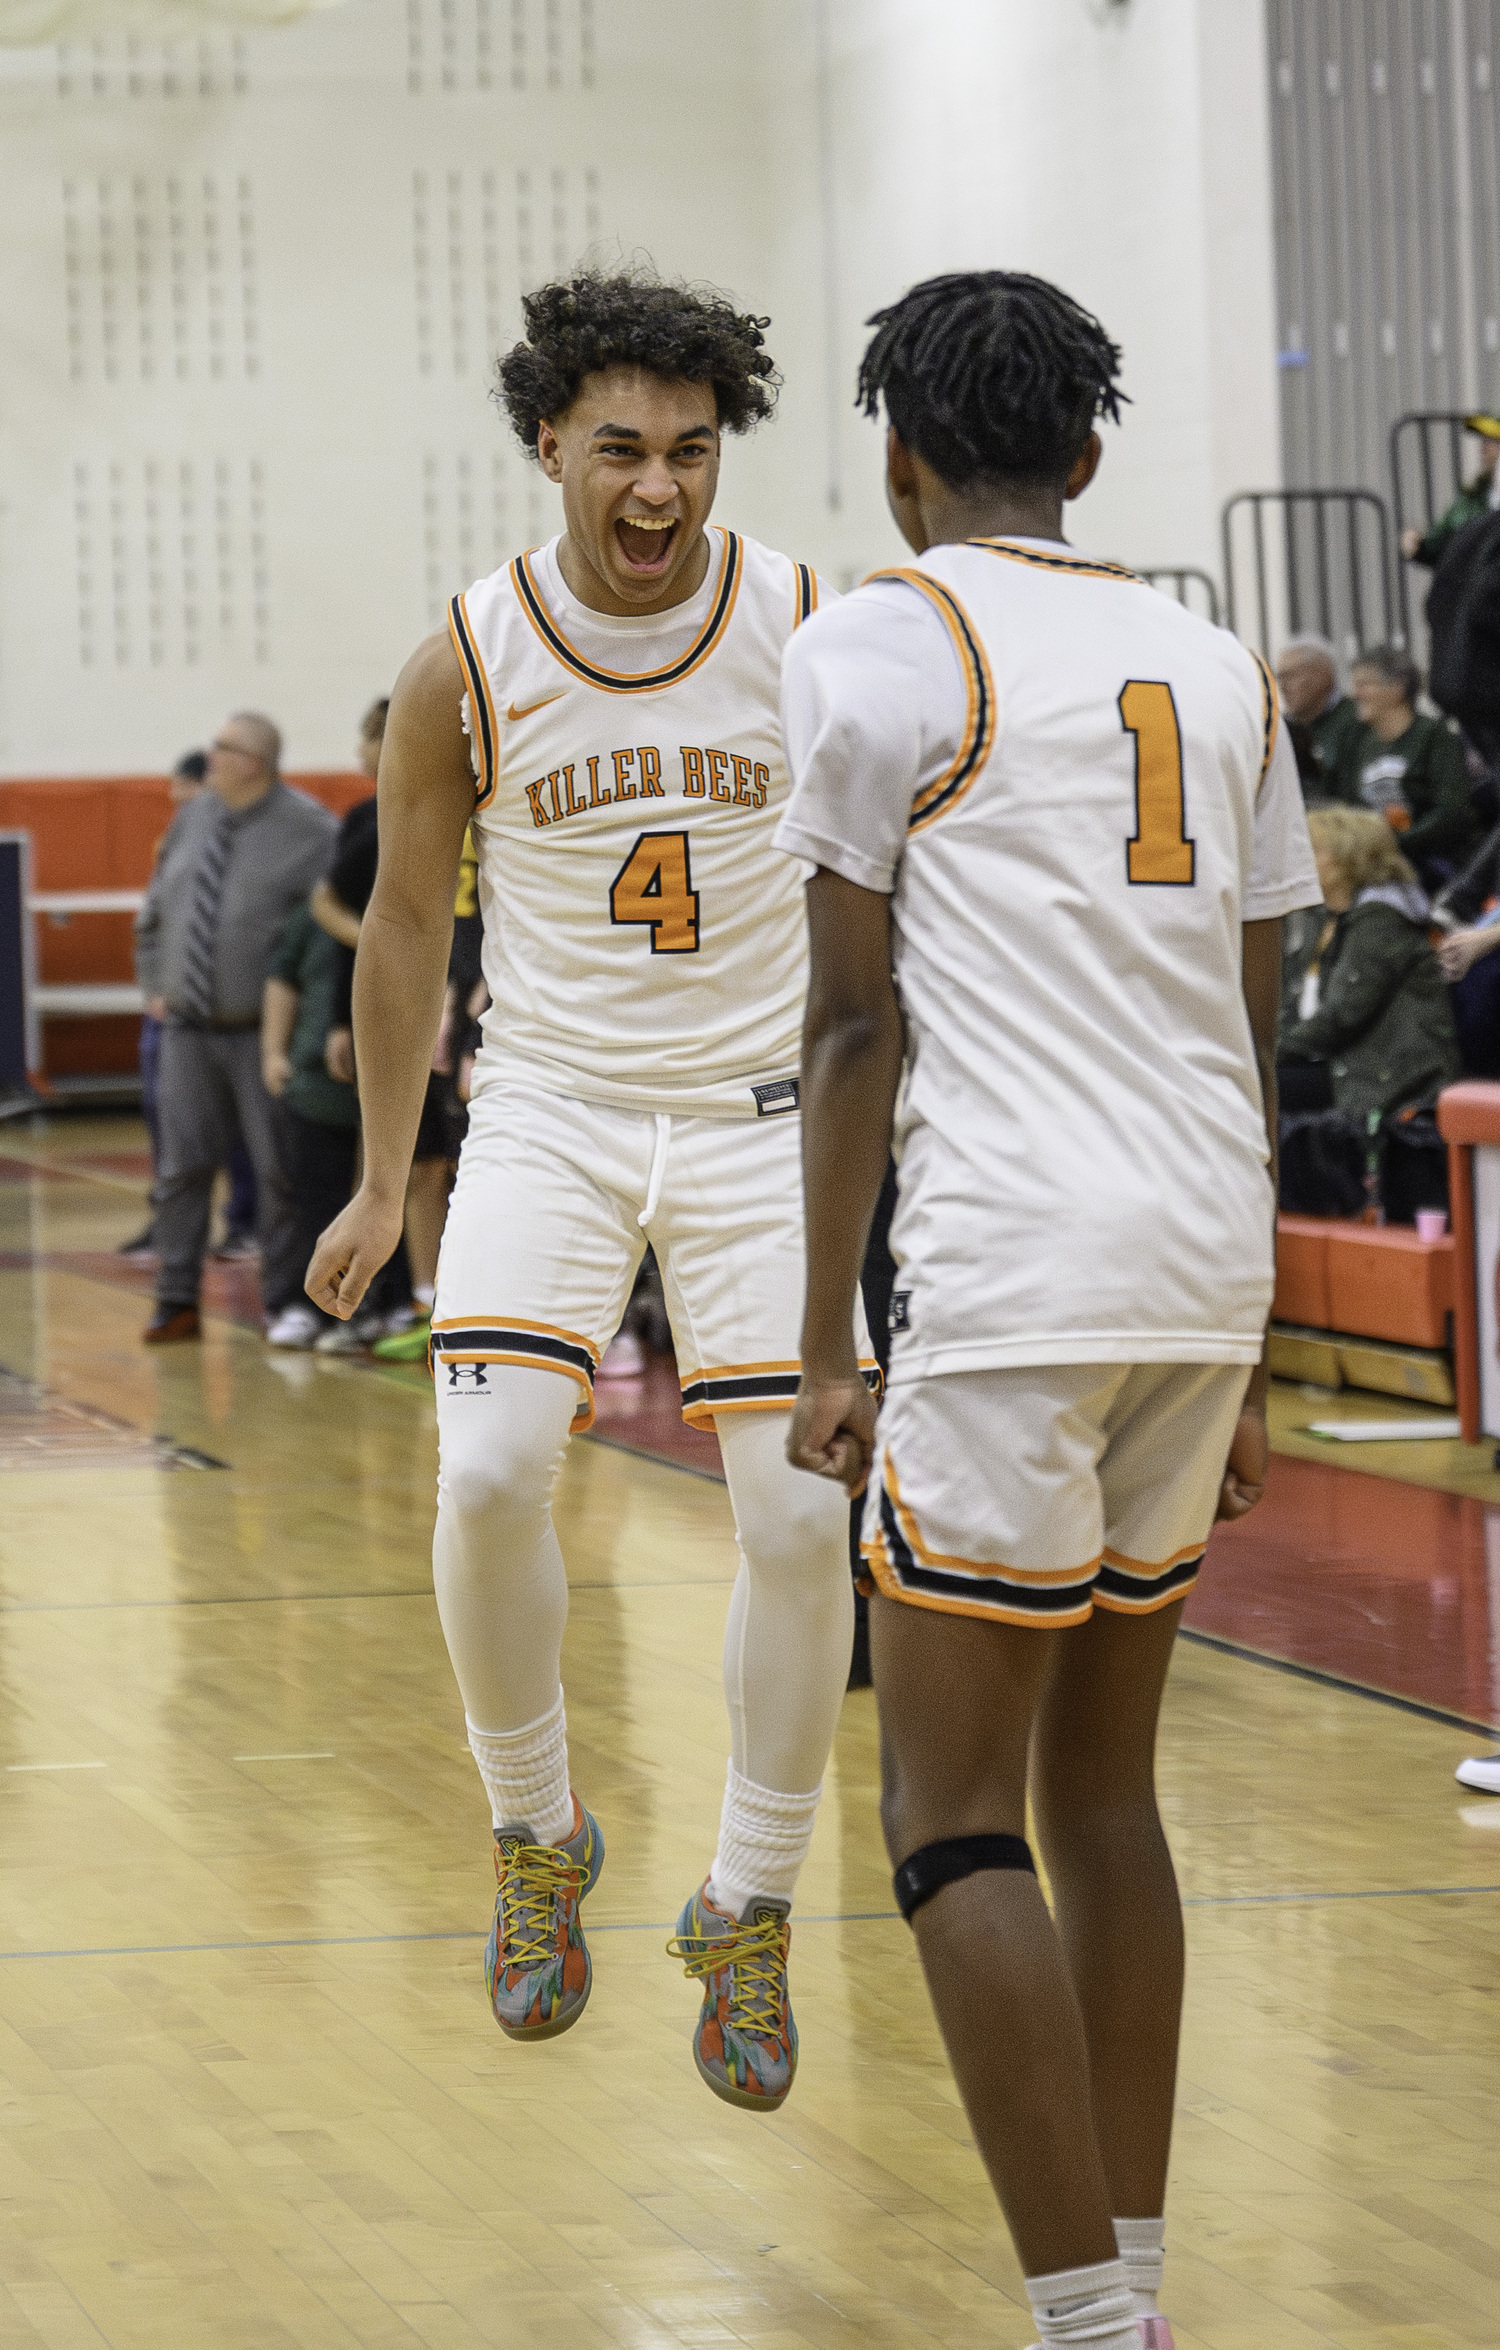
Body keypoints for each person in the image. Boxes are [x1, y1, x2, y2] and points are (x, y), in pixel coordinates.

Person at [776, 268, 1320, 2350]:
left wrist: (828, 1337)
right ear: (1090, 458)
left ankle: (1094, 2327)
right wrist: (1245, 1338)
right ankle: (1141, 2291)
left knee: (946, 1816)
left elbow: (849, 1023)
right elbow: (1247, 1020)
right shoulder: (1210, 654)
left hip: (1012, 1273)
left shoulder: (877, 643)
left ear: (897, 460)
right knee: (1111, 1798)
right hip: (1201, 1258)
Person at [305, 269, 875, 2109]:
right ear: (546, 445)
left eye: (693, 450)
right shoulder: (462, 653)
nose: (659, 489)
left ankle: (753, 1905)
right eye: (620, 448)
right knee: (480, 1475)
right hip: (549, 1103)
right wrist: (388, 1178)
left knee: (799, 1528)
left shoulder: (805, 618)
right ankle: (539, 1841)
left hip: (761, 1112)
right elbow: (403, 923)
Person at [133, 713, 336, 1342]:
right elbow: (158, 908)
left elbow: (323, 931)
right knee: (180, 1168)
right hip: (189, 1030)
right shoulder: (193, 817)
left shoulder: (310, 829)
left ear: (255, 759)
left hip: (261, 1032)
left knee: (278, 1173)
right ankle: (176, 1298)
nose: (209, 756)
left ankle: (283, 1300)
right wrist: (154, 983)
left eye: (221, 748)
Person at [1277, 807, 1459, 1216]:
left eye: (1316, 850)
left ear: (1348, 857)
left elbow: (1342, 1017)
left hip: (1383, 1070)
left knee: (1264, 1084)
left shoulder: (1380, 921)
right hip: (1340, 1060)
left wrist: (1265, 1053)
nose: (1304, 859)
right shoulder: (1326, 921)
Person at [259, 901, 360, 1347]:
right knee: (307, 1200)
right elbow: (284, 981)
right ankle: (301, 1305)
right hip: (315, 1083)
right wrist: (273, 1052)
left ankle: (375, 1307)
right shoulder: (317, 910)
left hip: (386, 1089)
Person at [1347, 645, 1478, 889]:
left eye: (1364, 684)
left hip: (1435, 874)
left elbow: (1453, 812)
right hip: (1382, 875)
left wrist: (1397, 842)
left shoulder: (1434, 736)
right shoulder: (1365, 746)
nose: (1355, 694)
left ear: (1397, 688)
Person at [1400, 413, 1500, 569]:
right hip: (1476, 586)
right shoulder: (1473, 495)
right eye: (1484, 441)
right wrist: (1419, 547)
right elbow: (1444, 541)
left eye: (1493, 441)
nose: (1484, 448)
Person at [1276, 635, 1362, 803]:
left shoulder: (1357, 720)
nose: (1283, 685)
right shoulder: (1280, 729)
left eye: (1291, 675)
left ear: (1324, 676)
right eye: (1280, 677)